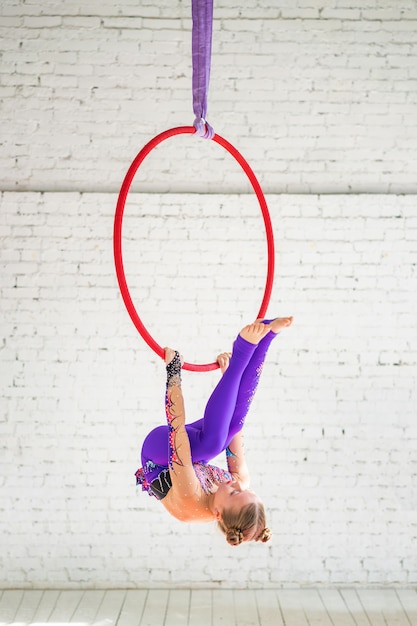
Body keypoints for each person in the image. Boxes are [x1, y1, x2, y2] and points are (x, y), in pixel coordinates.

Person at [135, 316, 293, 546]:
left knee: (212, 444)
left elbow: (176, 430)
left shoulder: (191, 496)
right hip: (193, 451)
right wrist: (228, 379)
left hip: (158, 456)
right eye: (244, 490)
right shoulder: (236, 485)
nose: (235, 484)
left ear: (218, 513)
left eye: (233, 493)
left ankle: (243, 348)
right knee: (233, 427)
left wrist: (173, 372)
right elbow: (234, 427)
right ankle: (266, 338)